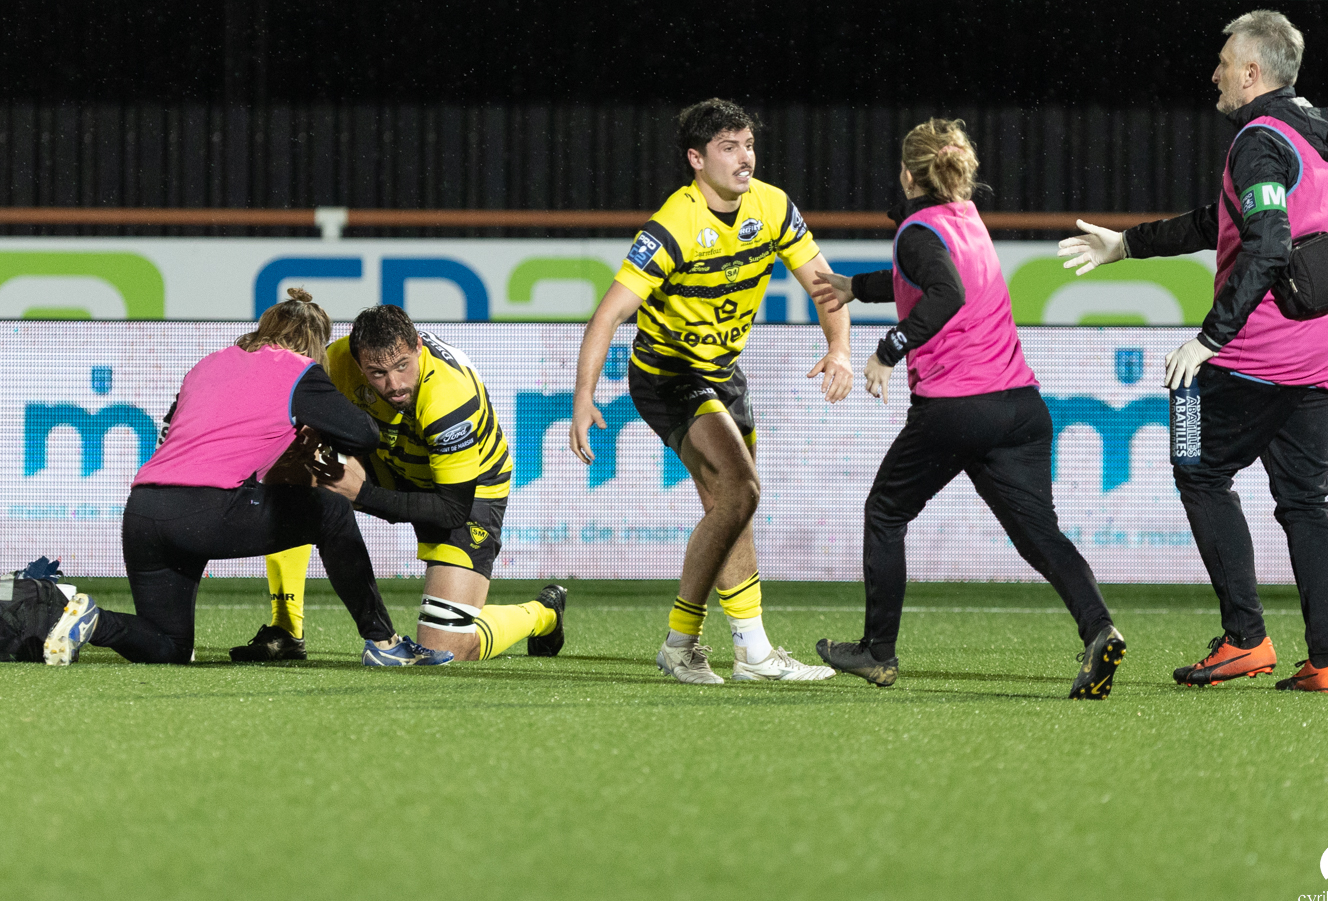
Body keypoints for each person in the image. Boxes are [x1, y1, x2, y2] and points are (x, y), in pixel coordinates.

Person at [1058, 9, 1328, 693]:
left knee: (1195, 464)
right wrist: (1125, 244)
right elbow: (1219, 221)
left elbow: (1270, 243)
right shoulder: (1307, 132)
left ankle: (1245, 638)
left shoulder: (1256, 140)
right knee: (1306, 500)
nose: (1214, 72)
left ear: (1252, 72)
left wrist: (1209, 338)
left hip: (1263, 352)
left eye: (1224, 61)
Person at [812, 118, 1128, 699]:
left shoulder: (915, 229)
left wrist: (887, 349)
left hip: (957, 408)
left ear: (908, 174)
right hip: (1021, 408)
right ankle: (1099, 629)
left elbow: (944, 293)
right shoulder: (966, 220)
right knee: (1040, 535)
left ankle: (878, 653)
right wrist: (858, 287)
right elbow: (929, 277)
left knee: (885, 511)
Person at [570, 98, 851, 685]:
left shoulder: (773, 206)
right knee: (741, 488)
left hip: (723, 373)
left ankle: (750, 652)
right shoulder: (675, 223)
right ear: (696, 159)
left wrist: (840, 348)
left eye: (748, 144)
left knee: (733, 507)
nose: (745, 158)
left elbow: (826, 287)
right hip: (668, 375)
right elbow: (608, 316)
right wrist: (583, 396)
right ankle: (681, 643)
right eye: (729, 148)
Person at [42, 289, 451, 667]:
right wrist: (314, 430)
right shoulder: (299, 370)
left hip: (144, 512)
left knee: (170, 647)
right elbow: (365, 434)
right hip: (206, 511)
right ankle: (383, 643)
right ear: (314, 341)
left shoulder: (208, 363)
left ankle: (94, 621)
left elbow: (170, 434)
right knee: (331, 511)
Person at [245, 304, 566, 665]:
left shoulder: (448, 397)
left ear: (417, 346)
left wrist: (361, 494)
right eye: (377, 373)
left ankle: (543, 613)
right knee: (291, 465)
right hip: (389, 459)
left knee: (449, 650)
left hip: (465, 490)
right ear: (357, 360)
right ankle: (286, 629)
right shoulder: (336, 364)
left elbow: (449, 510)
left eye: (402, 366)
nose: (394, 385)